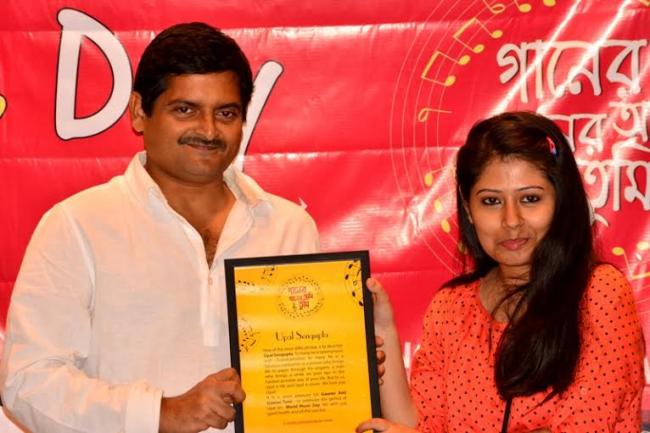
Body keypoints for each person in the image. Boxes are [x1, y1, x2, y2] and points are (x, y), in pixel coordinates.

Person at [0, 23, 319, 433]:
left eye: (226, 113)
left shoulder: (289, 229)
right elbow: (28, 382)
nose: (208, 130)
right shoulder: (77, 225)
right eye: (185, 109)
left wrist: (346, 362)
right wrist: (160, 414)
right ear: (139, 112)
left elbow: (307, 375)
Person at [358, 111, 644, 433]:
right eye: (491, 201)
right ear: (468, 208)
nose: (511, 220)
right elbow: (422, 426)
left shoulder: (598, 293)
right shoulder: (451, 306)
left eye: (530, 199)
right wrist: (384, 330)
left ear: (561, 201)